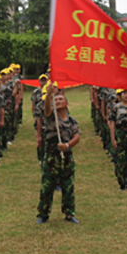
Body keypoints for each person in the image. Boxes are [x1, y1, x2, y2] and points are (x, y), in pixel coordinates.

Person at [36, 82, 81, 224]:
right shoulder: (51, 117)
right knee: (47, 186)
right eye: (56, 100)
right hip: (51, 157)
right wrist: (50, 94)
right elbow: (47, 108)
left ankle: (69, 213)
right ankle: (43, 214)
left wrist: (67, 145)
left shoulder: (72, 121)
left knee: (68, 186)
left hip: (66, 157)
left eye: (60, 99)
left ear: (66, 104)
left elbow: (77, 136)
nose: (58, 101)